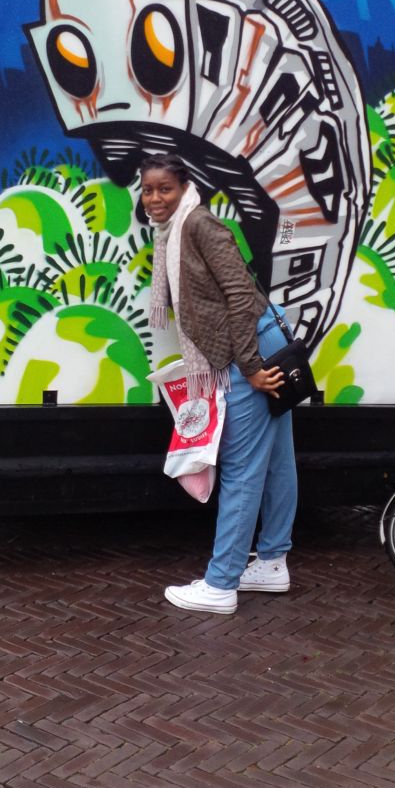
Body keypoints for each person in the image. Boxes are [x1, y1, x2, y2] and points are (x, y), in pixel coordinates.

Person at [141, 152, 298, 614]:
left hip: (252, 350)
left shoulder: (200, 225)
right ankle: (272, 562)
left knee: (241, 467)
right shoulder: (176, 229)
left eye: (164, 188)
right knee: (277, 461)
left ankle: (221, 584)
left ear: (184, 187)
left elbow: (239, 296)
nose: (155, 198)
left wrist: (249, 367)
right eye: (147, 189)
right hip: (262, 343)